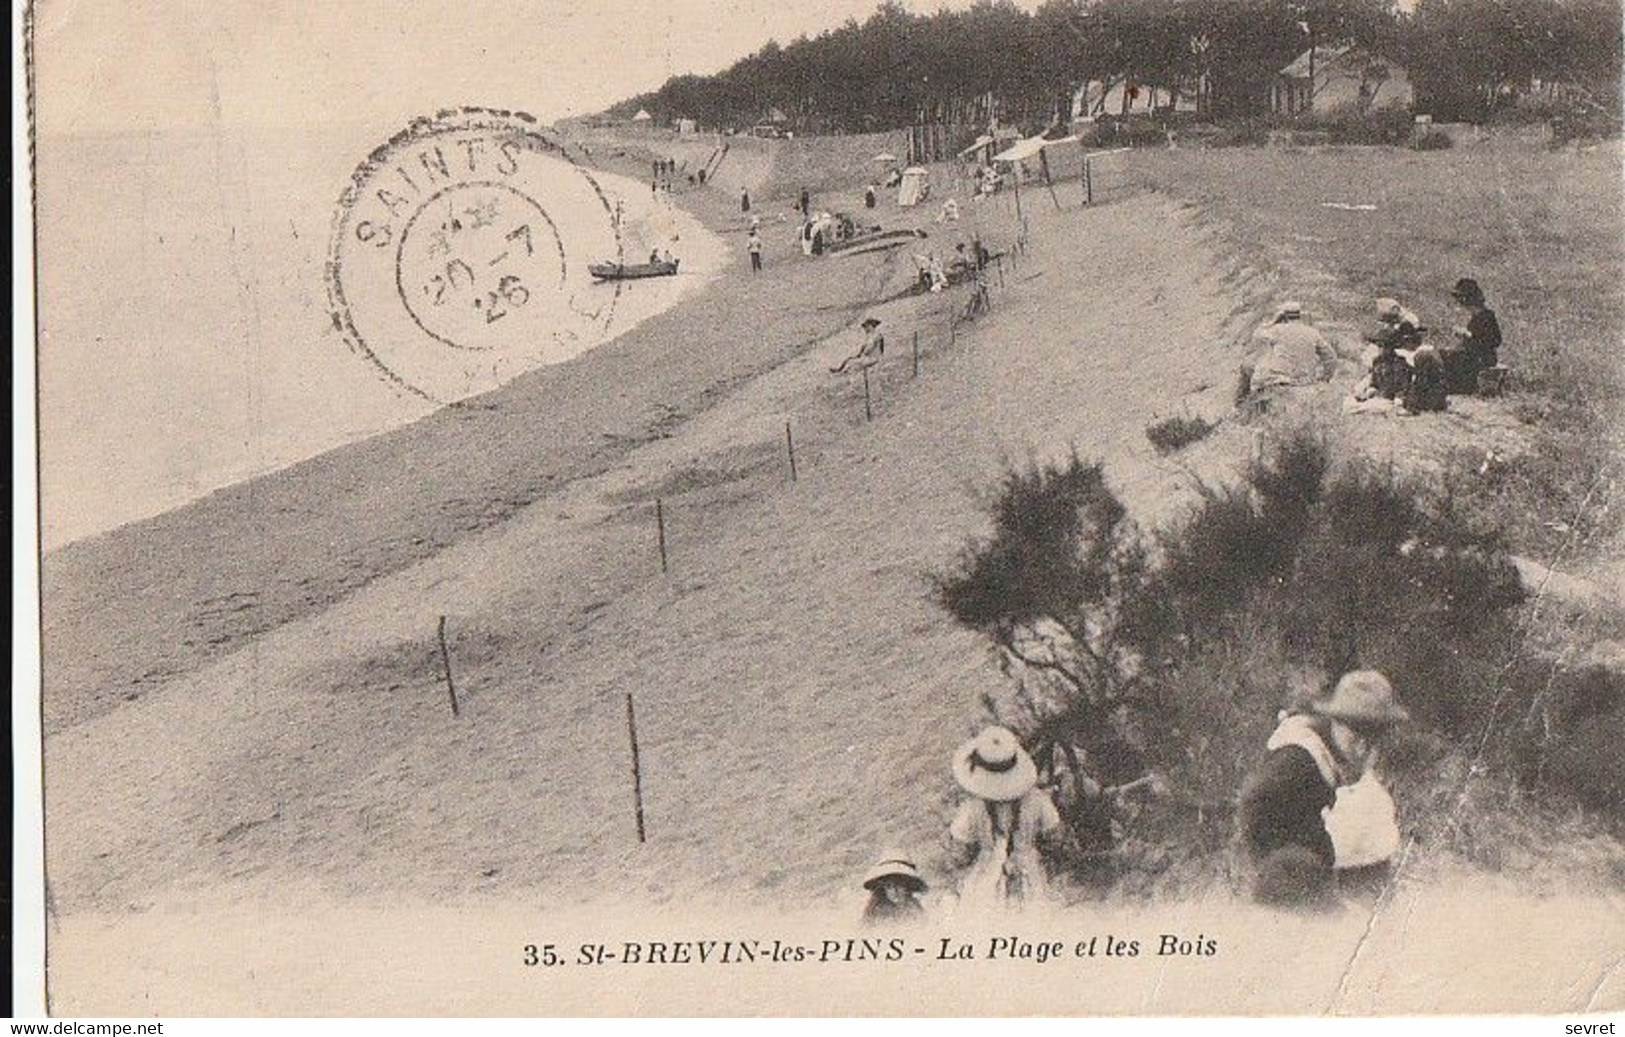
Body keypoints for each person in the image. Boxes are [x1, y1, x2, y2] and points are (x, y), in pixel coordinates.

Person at [1238, 671, 1409, 910]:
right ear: (1336, 722)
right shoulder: (1297, 757)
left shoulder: (1340, 753)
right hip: (1286, 871)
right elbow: (1253, 806)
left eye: (1374, 737)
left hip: (1320, 856)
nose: (1363, 748)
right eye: (1356, 733)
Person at [947, 726, 1062, 912]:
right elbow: (1056, 838)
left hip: (985, 881)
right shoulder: (1037, 800)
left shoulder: (971, 808)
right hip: (1030, 876)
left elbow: (960, 854)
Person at [1239, 302, 1338, 415]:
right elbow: (1331, 357)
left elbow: (1257, 335)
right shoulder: (1312, 332)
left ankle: (1239, 408)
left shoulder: (1276, 330)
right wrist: (1325, 378)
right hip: (1301, 381)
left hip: (1275, 380)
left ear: (1284, 316)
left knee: (1247, 367)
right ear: (1299, 315)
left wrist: (1273, 321)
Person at [1441, 278, 1502, 394]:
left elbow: (1495, 341)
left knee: (1448, 358)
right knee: (1445, 354)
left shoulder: (1486, 316)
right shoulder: (1477, 316)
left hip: (1483, 358)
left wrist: (1467, 334)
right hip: (1474, 355)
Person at [1353, 299, 1419, 402]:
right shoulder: (1378, 361)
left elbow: (1402, 388)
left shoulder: (1400, 364)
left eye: (1384, 346)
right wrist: (1370, 391)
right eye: (1380, 346)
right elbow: (1375, 382)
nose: (1381, 349)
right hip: (1382, 393)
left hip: (1405, 353)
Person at [860, 856, 928, 927]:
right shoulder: (875, 912)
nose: (895, 891)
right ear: (883, 889)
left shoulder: (915, 909)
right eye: (889, 886)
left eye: (900, 886)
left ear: (907, 888)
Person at [1402, 344, 1448, 413]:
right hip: (1438, 394)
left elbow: (1418, 382)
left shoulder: (1422, 356)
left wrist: (1410, 405)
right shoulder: (1433, 353)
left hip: (1430, 395)